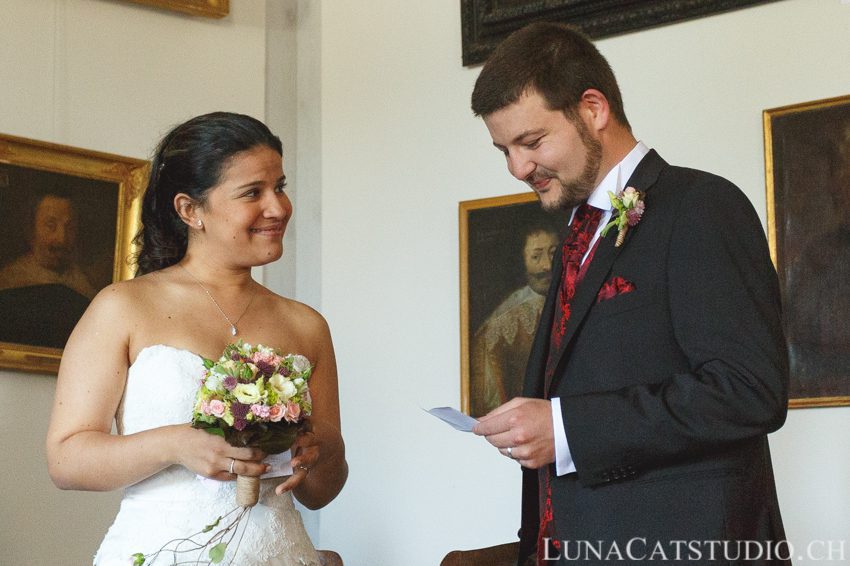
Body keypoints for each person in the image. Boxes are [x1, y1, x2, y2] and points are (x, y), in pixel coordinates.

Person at [469, 23, 789, 565]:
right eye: (505, 150)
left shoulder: (702, 206)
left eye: (531, 142)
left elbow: (749, 390)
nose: (518, 168)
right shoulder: (575, 235)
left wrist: (567, 429)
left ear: (593, 109)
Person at [46, 112, 348, 565]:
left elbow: (322, 493)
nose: (278, 207)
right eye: (253, 193)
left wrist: (319, 452)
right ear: (190, 210)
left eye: (280, 187)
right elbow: (66, 460)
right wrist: (176, 443)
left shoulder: (306, 324)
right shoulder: (122, 307)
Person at [471, 223, 558, 416]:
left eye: (553, 253)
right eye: (536, 256)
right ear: (522, 260)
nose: (547, 265)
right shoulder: (500, 326)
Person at [0, 192, 96, 299]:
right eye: (51, 226)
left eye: (69, 228)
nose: (62, 238)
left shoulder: (83, 282)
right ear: (31, 230)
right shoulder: (11, 280)